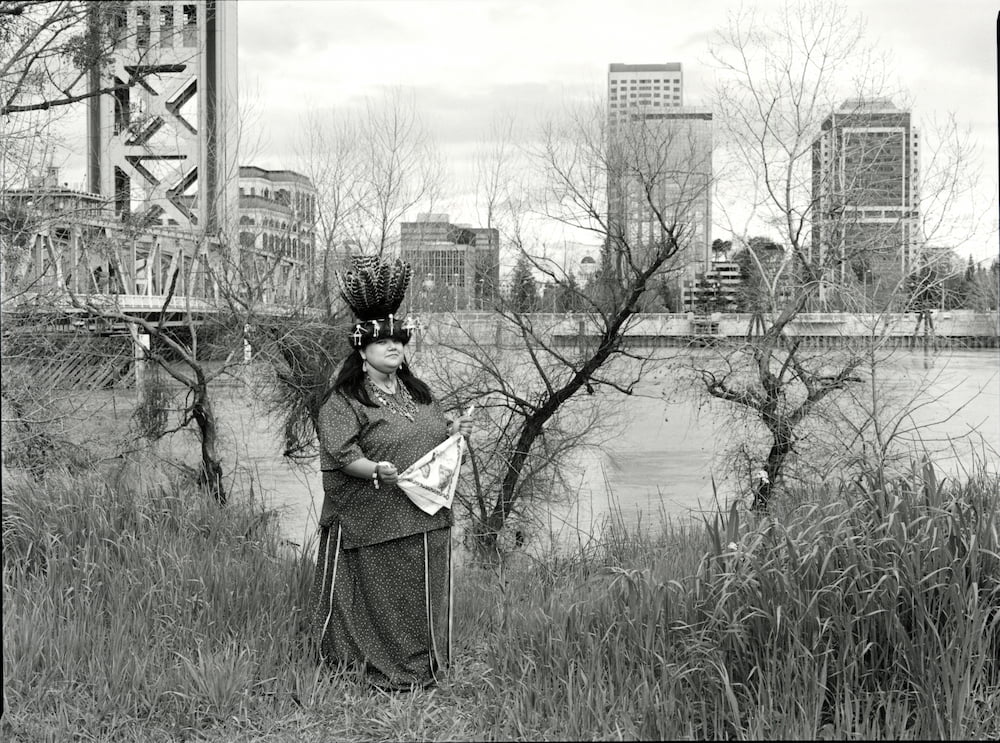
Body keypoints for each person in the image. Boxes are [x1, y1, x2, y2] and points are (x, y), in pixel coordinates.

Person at [309, 255, 473, 691]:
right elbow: (341, 454)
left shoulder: (418, 392)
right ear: (362, 351)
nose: (394, 348)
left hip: (425, 512)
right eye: (383, 342)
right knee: (384, 598)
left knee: (421, 595)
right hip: (373, 516)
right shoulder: (344, 399)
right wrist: (375, 469)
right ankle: (377, 665)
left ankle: (425, 664)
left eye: (400, 340)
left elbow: (435, 438)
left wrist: (452, 432)